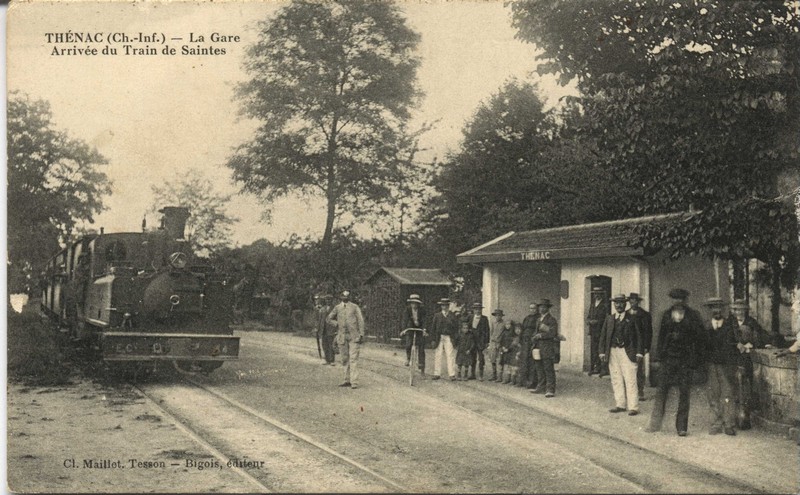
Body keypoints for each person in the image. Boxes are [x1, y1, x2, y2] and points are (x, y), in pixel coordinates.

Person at [646, 299, 704, 436]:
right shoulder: (666, 315)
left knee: (684, 393)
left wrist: (694, 359)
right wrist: (659, 356)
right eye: (675, 299)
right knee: (661, 391)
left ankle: (682, 427)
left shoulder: (692, 316)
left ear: (684, 301)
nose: (678, 302)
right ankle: (655, 424)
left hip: (685, 360)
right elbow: (660, 337)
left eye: (681, 299)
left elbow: (699, 338)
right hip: (668, 359)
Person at [599, 294, 644, 416]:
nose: (618, 305)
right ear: (614, 305)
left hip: (627, 352)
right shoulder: (609, 319)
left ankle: (633, 407)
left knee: (630, 379)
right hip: (613, 352)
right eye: (616, 303)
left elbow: (639, 337)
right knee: (616, 378)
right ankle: (620, 404)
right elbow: (603, 336)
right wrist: (602, 352)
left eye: (621, 303)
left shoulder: (633, 318)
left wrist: (639, 352)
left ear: (626, 304)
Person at [730, 299, 771, 430]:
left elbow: (761, 335)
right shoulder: (730, 323)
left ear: (745, 311)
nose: (739, 312)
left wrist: (755, 344)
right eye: (737, 310)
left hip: (747, 358)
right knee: (734, 388)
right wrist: (736, 345)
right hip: (733, 358)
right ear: (734, 311)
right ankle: (734, 418)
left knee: (746, 387)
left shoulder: (751, 322)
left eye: (741, 310)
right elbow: (726, 339)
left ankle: (745, 419)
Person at [703, 297, 738, 436]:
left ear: (722, 309)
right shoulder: (706, 326)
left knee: (728, 393)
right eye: (714, 307)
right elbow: (702, 347)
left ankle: (729, 424)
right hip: (711, 364)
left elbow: (735, 343)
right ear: (710, 309)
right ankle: (716, 423)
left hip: (726, 365)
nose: (717, 310)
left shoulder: (730, 325)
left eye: (719, 307)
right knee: (713, 394)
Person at [326, 290, 365, 389]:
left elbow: (360, 321)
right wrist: (336, 324)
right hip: (342, 336)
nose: (345, 298)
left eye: (347, 296)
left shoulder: (354, 307)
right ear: (340, 297)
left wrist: (361, 334)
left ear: (350, 297)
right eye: (343, 296)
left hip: (353, 336)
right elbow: (328, 318)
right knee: (344, 358)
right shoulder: (337, 308)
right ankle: (346, 379)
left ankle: (354, 382)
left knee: (353, 358)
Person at [530, 299, 559, 398]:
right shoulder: (538, 319)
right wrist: (534, 336)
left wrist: (541, 336)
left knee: (548, 368)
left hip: (547, 347)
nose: (542, 308)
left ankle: (550, 389)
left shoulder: (551, 320)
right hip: (538, 347)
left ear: (548, 308)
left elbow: (553, 333)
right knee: (539, 368)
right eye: (540, 306)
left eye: (544, 307)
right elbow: (535, 331)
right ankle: (541, 386)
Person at [627, 292, 653, 400]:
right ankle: (630, 391)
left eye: (635, 301)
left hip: (639, 345)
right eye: (631, 301)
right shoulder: (626, 314)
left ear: (638, 302)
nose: (633, 303)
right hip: (627, 345)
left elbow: (648, 332)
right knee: (628, 369)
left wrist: (646, 346)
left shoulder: (645, 315)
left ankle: (640, 391)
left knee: (638, 368)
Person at [430, 298, 458, 381]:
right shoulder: (437, 315)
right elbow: (433, 328)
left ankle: (452, 374)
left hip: (449, 337)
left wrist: (455, 337)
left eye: (446, 305)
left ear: (448, 306)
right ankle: (436, 373)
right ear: (441, 306)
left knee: (450, 355)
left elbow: (456, 328)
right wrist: (433, 339)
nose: (444, 307)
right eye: (443, 305)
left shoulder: (452, 316)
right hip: (439, 336)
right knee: (438, 354)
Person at [402, 293, 428, 374]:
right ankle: (408, 358)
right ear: (410, 303)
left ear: (418, 303)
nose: (414, 305)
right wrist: (404, 330)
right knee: (408, 344)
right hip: (410, 328)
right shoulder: (407, 309)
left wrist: (424, 329)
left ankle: (421, 366)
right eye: (412, 303)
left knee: (421, 347)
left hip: (420, 328)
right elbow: (404, 320)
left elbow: (425, 320)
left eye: (415, 303)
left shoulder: (422, 310)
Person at [587, 288, 609, 376]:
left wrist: (597, 321)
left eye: (598, 293)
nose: (597, 295)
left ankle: (603, 369)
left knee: (602, 349)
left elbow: (606, 318)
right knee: (593, 349)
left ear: (601, 294)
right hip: (593, 331)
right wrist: (588, 321)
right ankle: (594, 368)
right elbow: (589, 316)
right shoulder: (592, 305)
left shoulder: (605, 305)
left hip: (601, 330)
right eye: (595, 293)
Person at [520, 303, 540, 388]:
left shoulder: (538, 318)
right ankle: (524, 381)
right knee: (525, 361)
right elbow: (523, 329)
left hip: (533, 342)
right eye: (531, 308)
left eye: (534, 308)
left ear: (537, 309)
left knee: (533, 362)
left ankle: (532, 382)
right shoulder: (527, 318)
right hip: (525, 342)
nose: (532, 310)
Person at [469, 303, 490, 381]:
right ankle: (472, 374)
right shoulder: (470, 317)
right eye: (476, 309)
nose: (477, 311)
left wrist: (487, 342)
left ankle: (481, 375)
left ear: (481, 310)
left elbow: (487, 331)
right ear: (473, 310)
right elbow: (467, 327)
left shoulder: (484, 319)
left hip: (481, 341)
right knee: (472, 357)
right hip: (472, 341)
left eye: (479, 309)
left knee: (481, 358)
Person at [316, 294, 335, 365]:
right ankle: (326, 359)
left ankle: (332, 360)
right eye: (327, 300)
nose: (328, 301)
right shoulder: (322, 309)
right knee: (324, 344)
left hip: (331, 329)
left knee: (331, 345)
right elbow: (319, 320)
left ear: (332, 300)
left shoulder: (335, 309)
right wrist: (318, 328)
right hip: (323, 329)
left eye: (329, 299)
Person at [488, 309, 505, 382]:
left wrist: (500, 342)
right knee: (493, 359)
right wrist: (490, 342)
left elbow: (503, 335)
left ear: (501, 316)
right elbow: (491, 332)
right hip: (493, 343)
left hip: (500, 343)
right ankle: (494, 375)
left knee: (500, 360)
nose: (497, 317)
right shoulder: (493, 323)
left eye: (499, 315)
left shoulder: (504, 324)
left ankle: (500, 376)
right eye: (496, 315)